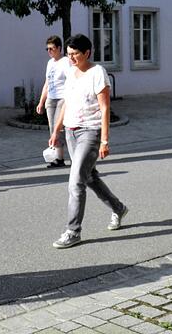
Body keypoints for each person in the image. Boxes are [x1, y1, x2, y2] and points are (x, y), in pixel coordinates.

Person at [48, 34, 128, 249]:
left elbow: (104, 108)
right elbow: (66, 102)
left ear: (87, 53)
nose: (71, 58)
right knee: (90, 177)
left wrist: (104, 140)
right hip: (71, 132)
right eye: (69, 54)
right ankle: (118, 208)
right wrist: (57, 130)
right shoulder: (72, 73)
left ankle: (73, 231)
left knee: (76, 182)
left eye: (75, 54)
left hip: (90, 132)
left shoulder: (98, 73)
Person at [36, 35, 70, 168]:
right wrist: (41, 102)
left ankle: (61, 157)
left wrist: (69, 98)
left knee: (59, 127)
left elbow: (70, 80)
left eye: (52, 48)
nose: (49, 51)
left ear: (59, 48)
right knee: (52, 128)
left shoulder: (66, 61)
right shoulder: (50, 63)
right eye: (47, 49)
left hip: (62, 97)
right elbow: (47, 83)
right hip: (51, 98)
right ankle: (58, 158)